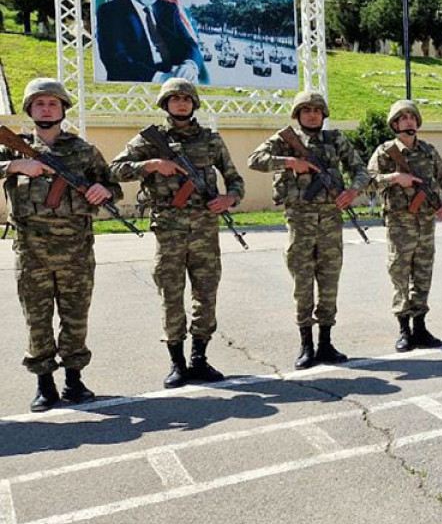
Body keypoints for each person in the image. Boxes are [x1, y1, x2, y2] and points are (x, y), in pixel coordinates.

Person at [111, 78, 244, 389]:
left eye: (186, 98)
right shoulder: (150, 140)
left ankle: (199, 358)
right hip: (168, 230)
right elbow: (114, 169)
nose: (181, 103)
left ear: (194, 103)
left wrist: (229, 198)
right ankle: (177, 362)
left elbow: (235, 179)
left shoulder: (211, 140)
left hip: (204, 230)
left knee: (205, 294)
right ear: (165, 104)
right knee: (171, 295)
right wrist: (152, 165)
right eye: (175, 99)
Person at [1, 79, 122, 412]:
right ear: (29, 109)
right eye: (39, 103)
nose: (46, 108)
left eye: (53, 103)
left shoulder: (83, 151)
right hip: (31, 250)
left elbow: (113, 185)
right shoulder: (13, 147)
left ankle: (73, 380)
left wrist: (104, 192)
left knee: (75, 317)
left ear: (63, 109)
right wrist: (13, 165)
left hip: (77, 250)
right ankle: (44, 384)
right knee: (37, 319)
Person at [247, 90, 368, 369]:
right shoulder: (285, 139)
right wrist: (289, 162)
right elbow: (255, 159)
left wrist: (352, 190)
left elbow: (361, 170)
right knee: (303, 284)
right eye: (306, 110)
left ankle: (326, 342)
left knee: (329, 283)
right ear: (298, 114)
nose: (312, 114)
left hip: (330, 221)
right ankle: (306, 344)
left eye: (316, 110)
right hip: (300, 221)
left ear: (323, 114)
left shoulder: (335, 139)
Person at [367, 100, 442, 352]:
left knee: (423, 273)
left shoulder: (428, 151)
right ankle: (403, 328)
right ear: (395, 124)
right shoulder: (385, 152)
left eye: (412, 117)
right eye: (403, 118)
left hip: (425, 223)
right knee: (399, 274)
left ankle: (420, 326)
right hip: (399, 224)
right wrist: (395, 178)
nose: (409, 121)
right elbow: (368, 181)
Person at [95, 0, 201, 83]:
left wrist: (190, 66)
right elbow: (117, 61)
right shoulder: (110, 11)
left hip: (174, 78)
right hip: (134, 87)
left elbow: (189, 44)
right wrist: (161, 78)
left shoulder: (168, 9)